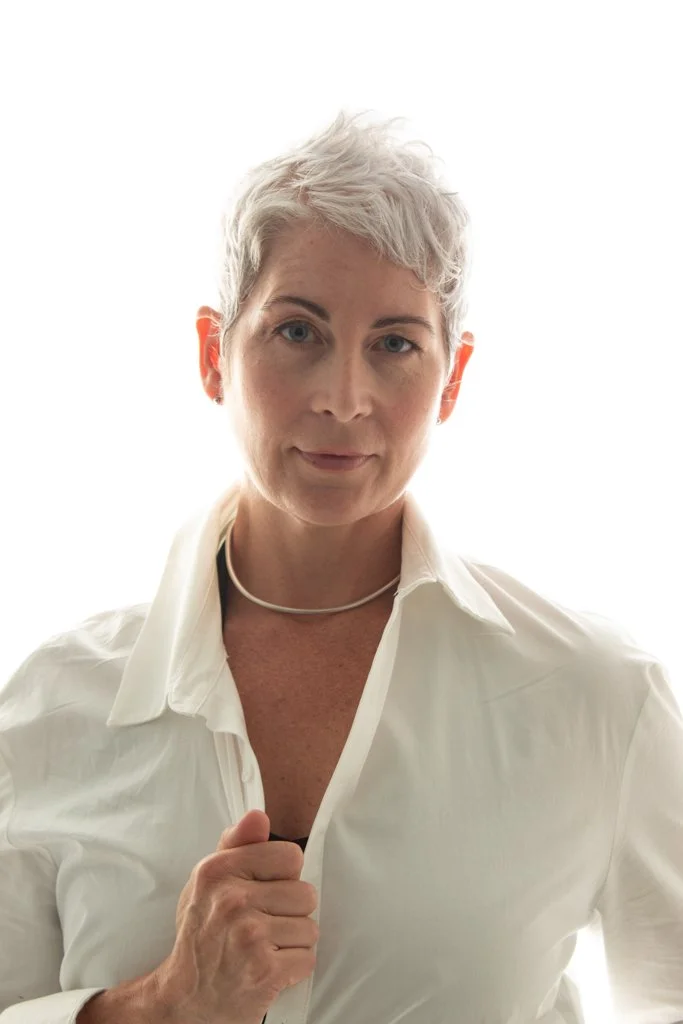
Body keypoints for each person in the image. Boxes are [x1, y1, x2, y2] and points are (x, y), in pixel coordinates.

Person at [1, 109, 683, 1024]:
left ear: (451, 379)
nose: (344, 399)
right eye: (297, 332)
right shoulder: (49, 709)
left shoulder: (598, 696)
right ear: (214, 354)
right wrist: (157, 1006)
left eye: (396, 344)